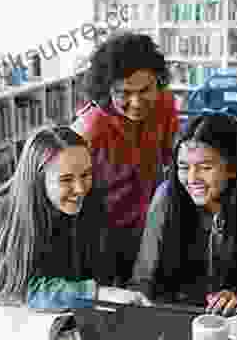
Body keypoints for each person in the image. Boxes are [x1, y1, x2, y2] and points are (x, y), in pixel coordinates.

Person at [129, 113, 237, 315]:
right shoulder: (167, 196)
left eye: (205, 167)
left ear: (232, 167)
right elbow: (143, 276)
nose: (192, 178)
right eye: (184, 167)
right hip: (173, 315)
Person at [0, 125, 151, 309]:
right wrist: (97, 293)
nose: (80, 189)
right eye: (66, 180)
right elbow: (19, 292)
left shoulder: (91, 197)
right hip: (25, 319)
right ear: (38, 178)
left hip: (79, 312)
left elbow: (101, 270)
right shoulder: (1, 211)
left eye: (86, 175)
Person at [71, 32, 180, 286]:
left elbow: (173, 158)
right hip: (102, 238)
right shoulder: (89, 128)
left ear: (159, 82)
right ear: (106, 90)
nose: (136, 102)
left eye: (145, 90)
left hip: (150, 228)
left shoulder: (164, 103)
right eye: (123, 93)